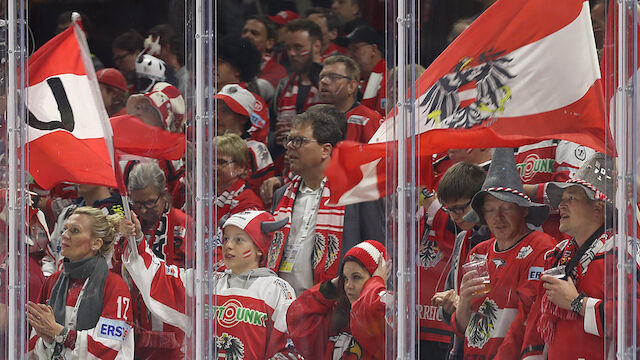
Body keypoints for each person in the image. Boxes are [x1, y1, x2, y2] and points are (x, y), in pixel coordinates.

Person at [120, 210, 301, 359]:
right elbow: (160, 278)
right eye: (226, 239)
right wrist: (137, 240)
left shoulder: (276, 289)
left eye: (239, 240)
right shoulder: (207, 283)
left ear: (259, 248)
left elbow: (289, 349)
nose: (228, 246)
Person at [520, 153, 640, 359]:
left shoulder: (622, 253)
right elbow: (536, 329)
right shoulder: (556, 255)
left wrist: (576, 302)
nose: (561, 206)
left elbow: (632, 325)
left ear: (598, 208)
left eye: (572, 198)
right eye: (562, 199)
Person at [268, 104, 386, 296]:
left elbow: (377, 255)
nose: (289, 146)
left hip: (336, 308)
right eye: (288, 140)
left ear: (325, 150)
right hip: (283, 305)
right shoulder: (282, 195)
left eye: (298, 141)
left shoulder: (358, 193)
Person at [451, 148, 555, 359]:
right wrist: (463, 304)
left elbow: (531, 324)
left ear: (524, 209)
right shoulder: (478, 253)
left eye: (506, 208)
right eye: (490, 210)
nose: (498, 217)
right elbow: (463, 329)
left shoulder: (542, 248)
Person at [27, 207, 133, 359]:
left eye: (75, 231)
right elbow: (34, 344)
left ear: (96, 243)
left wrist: (59, 333)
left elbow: (106, 348)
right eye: (65, 229)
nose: (64, 236)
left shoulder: (116, 287)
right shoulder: (52, 281)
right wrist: (48, 340)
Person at [418, 162, 490, 360]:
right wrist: (448, 303)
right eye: (449, 210)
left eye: (460, 209)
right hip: (461, 348)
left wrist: (462, 305)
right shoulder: (462, 239)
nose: (454, 217)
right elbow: (447, 311)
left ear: (480, 200)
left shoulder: (497, 240)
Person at [121, 161, 188, 359]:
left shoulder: (185, 225)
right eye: (137, 204)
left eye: (150, 202)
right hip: (135, 330)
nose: (143, 210)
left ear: (165, 194)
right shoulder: (128, 225)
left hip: (173, 330)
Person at [286, 240, 391, 359]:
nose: (348, 286)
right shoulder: (335, 314)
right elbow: (297, 319)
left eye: (356, 277)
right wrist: (330, 287)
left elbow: (371, 311)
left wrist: (375, 283)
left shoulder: (388, 313)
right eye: (345, 278)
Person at [269, 19, 324, 174]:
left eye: (298, 47)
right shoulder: (284, 84)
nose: (292, 53)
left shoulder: (330, 83)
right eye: (289, 48)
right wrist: (277, 138)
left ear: (317, 46)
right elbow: (272, 128)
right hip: (285, 167)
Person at [214, 84, 275, 191]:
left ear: (243, 118)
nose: (217, 117)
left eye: (225, 112)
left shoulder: (256, 150)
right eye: (216, 110)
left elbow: (265, 196)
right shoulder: (208, 146)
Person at [319, 55, 382, 143]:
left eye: (333, 77)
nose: (323, 81)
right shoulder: (314, 117)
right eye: (321, 77)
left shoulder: (369, 119)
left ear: (351, 86)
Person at [213, 133, 265, 227]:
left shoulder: (249, 203)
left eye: (221, 162)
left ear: (240, 168)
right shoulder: (202, 193)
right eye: (210, 161)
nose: (213, 167)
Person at [345, 25, 386, 116]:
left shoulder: (388, 79)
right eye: (349, 50)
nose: (349, 55)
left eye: (355, 49)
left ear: (373, 50)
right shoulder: (357, 78)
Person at [241, 15, 288, 94]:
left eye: (255, 33)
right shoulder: (232, 64)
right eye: (245, 32)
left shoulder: (277, 71)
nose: (247, 36)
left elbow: (250, 94)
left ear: (269, 43)